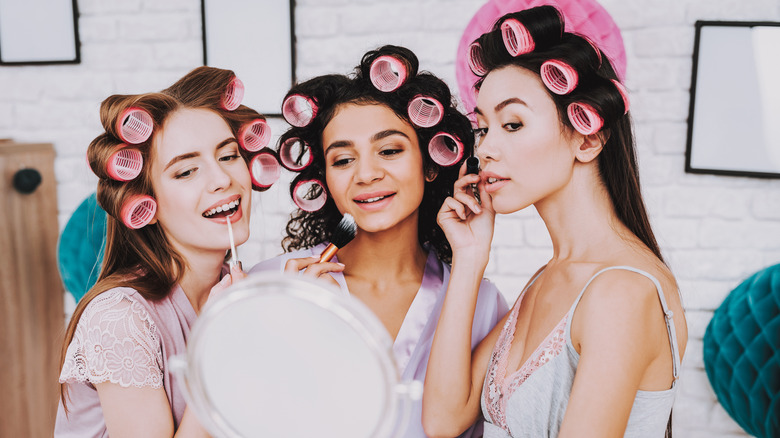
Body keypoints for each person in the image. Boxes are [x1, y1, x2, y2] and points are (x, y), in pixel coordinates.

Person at [422, 6, 688, 438]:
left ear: (587, 137)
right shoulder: (549, 279)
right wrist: (469, 260)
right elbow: (443, 419)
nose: (486, 148)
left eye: (512, 123)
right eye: (482, 127)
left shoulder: (620, 292)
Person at [251, 45, 508, 437]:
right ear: (324, 179)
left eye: (389, 150)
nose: (366, 174)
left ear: (430, 164)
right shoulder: (273, 284)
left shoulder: (483, 304)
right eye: (342, 160)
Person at [56, 66, 278, 437]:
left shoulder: (233, 291)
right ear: (146, 203)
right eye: (186, 172)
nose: (223, 180)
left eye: (228, 156)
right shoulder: (119, 319)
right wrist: (222, 338)